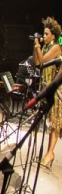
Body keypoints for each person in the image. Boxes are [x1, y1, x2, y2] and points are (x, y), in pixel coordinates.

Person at [35, 16, 62, 167]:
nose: (44, 36)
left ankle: (50, 153)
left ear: (53, 35)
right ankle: (48, 153)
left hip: (57, 89)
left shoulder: (57, 47)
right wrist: (36, 46)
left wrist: (38, 47)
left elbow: (44, 60)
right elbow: (37, 62)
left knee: (55, 123)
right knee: (51, 122)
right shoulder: (46, 46)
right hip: (48, 87)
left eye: (46, 34)